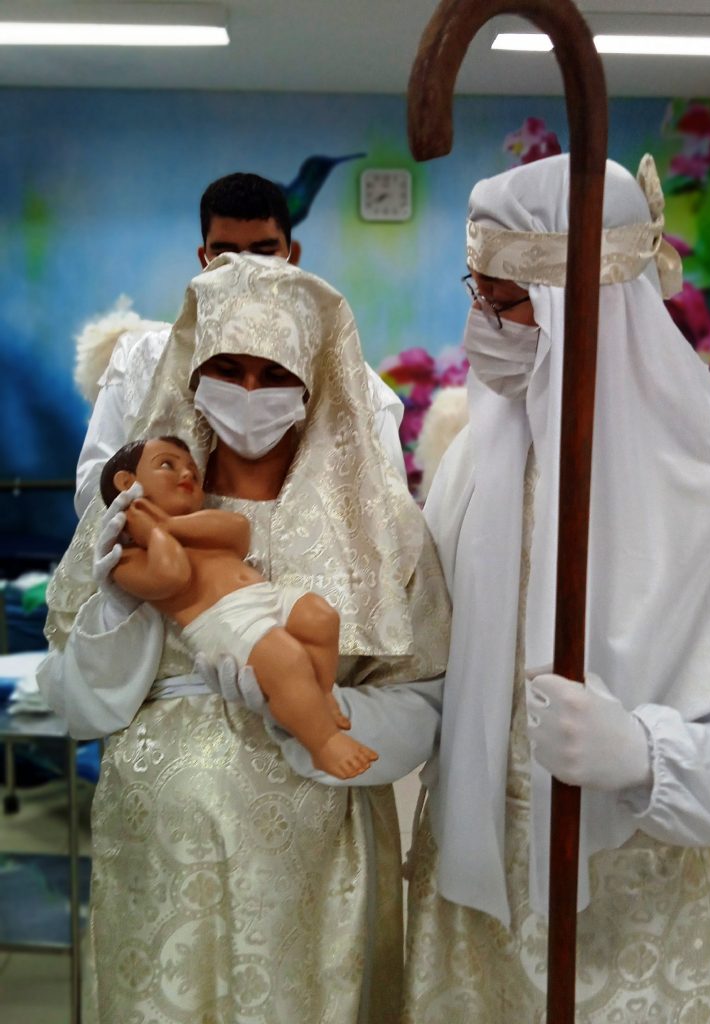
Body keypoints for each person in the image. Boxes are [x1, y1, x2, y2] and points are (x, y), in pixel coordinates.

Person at [402, 153, 710, 1022]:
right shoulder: (474, 463)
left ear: (587, 307)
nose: (482, 325)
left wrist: (645, 754)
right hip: (474, 914)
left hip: (640, 923)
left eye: (508, 302)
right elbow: (433, 657)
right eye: (477, 293)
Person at [39, 254, 450, 1023]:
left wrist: (319, 716)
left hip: (314, 854)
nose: (250, 392)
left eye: (274, 373)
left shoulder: (381, 527)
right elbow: (77, 701)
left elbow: (427, 697)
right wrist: (117, 613)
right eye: (228, 369)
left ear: (312, 382)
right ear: (194, 375)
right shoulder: (129, 516)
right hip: (160, 846)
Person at [74, 171, 405, 515]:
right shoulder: (141, 362)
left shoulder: (348, 380)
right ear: (203, 260)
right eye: (225, 255)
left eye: (264, 253)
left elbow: (383, 507)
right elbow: (95, 489)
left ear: (291, 257)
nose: (244, 270)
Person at [102, 434, 377, 779]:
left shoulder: (195, 525)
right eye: (167, 465)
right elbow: (174, 574)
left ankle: (321, 696)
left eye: (192, 470)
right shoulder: (126, 559)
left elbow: (238, 530)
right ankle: (323, 744)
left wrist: (166, 525)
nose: (186, 473)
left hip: (262, 596)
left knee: (319, 617)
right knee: (286, 660)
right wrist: (152, 534)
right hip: (221, 620)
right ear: (127, 483)